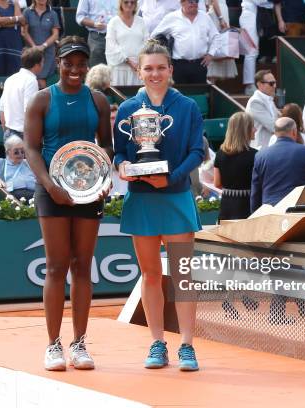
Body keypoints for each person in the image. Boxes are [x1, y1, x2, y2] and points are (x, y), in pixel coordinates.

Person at [24, 36, 112, 371]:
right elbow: (32, 148)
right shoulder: (41, 100)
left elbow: (106, 147)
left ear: (87, 65)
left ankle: (79, 343)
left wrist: (102, 181)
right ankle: (52, 345)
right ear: (57, 63)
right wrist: (50, 185)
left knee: (83, 266)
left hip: (88, 193)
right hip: (52, 192)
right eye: (68, 63)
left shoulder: (98, 100)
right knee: (57, 265)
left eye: (80, 63)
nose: (75, 69)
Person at [115, 40, 204, 371]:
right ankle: (157, 343)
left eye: (160, 67)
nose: (154, 73)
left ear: (171, 70)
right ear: (139, 71)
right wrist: (122, 166)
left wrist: (172, 178)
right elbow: (120, 152)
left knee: (182, 275)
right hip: (141, 200)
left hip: (176, 196)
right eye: (148, 68)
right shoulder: (127, 109)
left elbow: (198, 151)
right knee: (151, 275)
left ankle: (187, 346)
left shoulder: (188, 107)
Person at [251, 117, 305, 212]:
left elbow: (256, 193)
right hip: (299, 212)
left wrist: (255, 215)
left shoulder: (260, 155)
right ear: (294, 132)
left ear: (275, 133)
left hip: (270, 212)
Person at [151, 0, 219, 84]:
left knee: (198, 95)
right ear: (182, 2)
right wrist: (163, 55)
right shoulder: (172, 17)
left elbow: (216, 36)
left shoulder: (205, 17)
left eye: (196, 1)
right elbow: (154, 35)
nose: (194, 4)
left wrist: (211, 54)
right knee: (179, 95)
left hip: (199, 64)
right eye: (191, 1)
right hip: (179, 65)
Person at [213, 111, 257, 221]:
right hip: (247, 207)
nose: (255, 130)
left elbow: (217, 183)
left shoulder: (220, 153)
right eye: (252, 127)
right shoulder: (255, 155)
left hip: (226, 207)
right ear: (245, 130)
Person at [0, 47, 43, 140]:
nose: (43, 65)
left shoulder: (10, 79)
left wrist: (6, 131)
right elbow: (29, 110)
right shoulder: (31, 81)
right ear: (37, 65)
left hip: (9, 133)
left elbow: (2, 109)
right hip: (24, 135)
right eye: (42, 62)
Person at [105, 0, 148, 86]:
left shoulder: (141, 21)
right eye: (126, 2)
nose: (129, 4)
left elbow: (146, 42)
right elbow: (111, 45)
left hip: (138, 68)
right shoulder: (113, 22)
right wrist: (128, 61)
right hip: (119, 69)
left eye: (132, 2)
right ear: (121, 4)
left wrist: (140, 62)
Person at [240, 0, 276, 95]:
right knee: (251, 52)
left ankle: (250, 85)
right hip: (249, 16)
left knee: (253, 52)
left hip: (254, 16)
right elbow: (261, 2)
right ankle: (249, 86)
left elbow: (269, 5)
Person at [22, 0, 60, 89]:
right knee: (33, 81)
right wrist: (34, 47)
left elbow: (55, 35)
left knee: (42, 82)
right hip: (31, 54)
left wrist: (44, 46)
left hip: (48, 54)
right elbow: (24, 32)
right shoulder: (27, 12)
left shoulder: (53, 14)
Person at [0, 0, 24, 77]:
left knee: (15, 77)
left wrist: (0, 24)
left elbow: (21, 20)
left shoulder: (15, 3)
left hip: (14, 45)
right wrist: (15, 20)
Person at [76, 0, 118, 66]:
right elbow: (80, 17)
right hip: (97, 38)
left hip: (117, 38)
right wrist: (94, 24)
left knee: (117, 70)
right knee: (97, 71)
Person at [0, 135, 37, 200]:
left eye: (22, 151)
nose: (20, 154)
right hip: (13, 197)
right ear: (8, 152)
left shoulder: (28, 163)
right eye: (16, 152)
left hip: (33, 195)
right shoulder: (0, 163)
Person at [246, 69, 279, 150]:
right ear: (260, 84)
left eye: (275, 83)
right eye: (271, 83)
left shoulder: (268, 99)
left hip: (270, 148)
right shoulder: (255, 102)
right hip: (259, 149)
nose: (274, 86)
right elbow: (273, 126)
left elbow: (279, 119)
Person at [206, 0, 237, 82]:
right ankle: (211, 85)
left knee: (221, 48)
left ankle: (213, 85)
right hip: (218, 14)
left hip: (219, 11)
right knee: (217, 48)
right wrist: (221, 18)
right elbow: (213, 1)